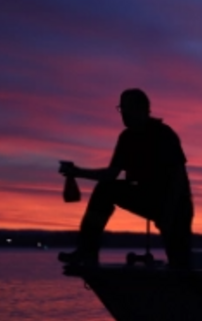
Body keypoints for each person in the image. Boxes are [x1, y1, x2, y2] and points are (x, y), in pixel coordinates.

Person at [57, 88, 193, 269]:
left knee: (180, 263)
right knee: (105, 189)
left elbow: (178, 178)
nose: (124, 114)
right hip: (145, 196)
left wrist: (168, 214)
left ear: (142, 109)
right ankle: (87, 250)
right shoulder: (126, 138)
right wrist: (78, 172)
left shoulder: (163, 134)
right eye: (122, 109)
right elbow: (110, 175)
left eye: (127, 108)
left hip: (175, 203)